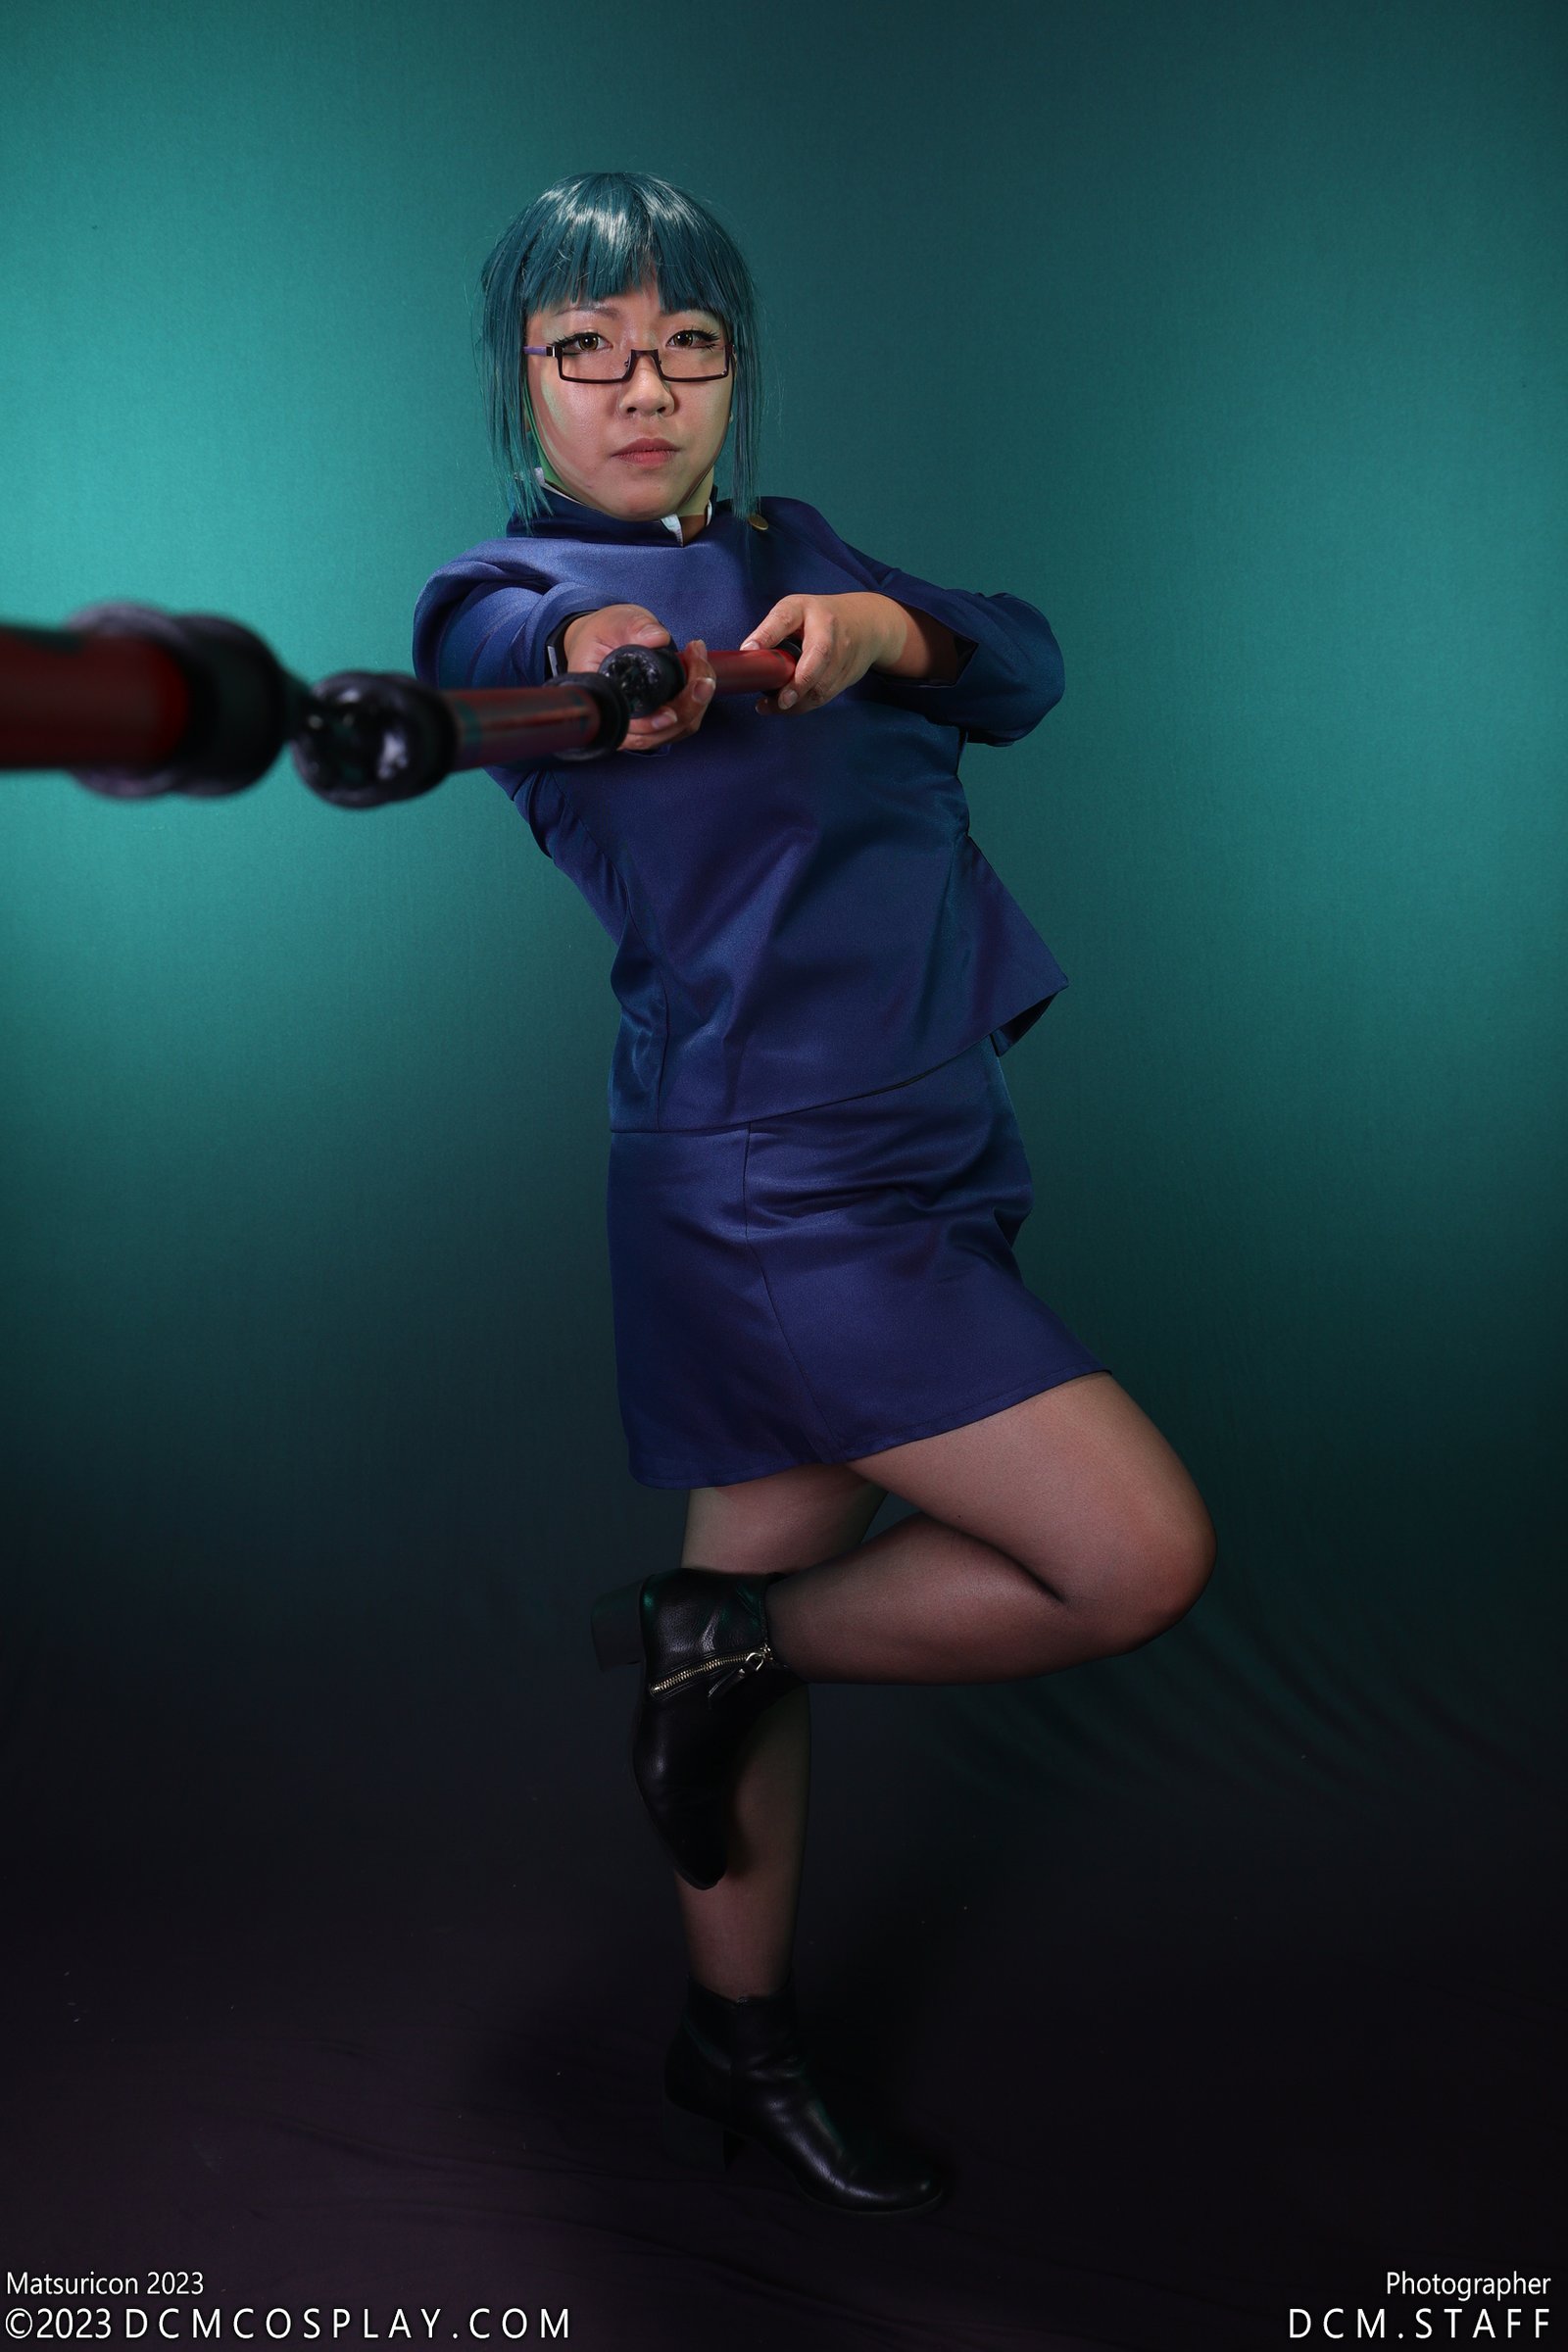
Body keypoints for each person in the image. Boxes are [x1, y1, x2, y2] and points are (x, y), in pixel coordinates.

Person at [412, 171, 1216, 2218]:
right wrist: (603, 646)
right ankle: (710, 1635)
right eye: (586, 350)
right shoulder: (504, 585)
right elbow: (506, 644)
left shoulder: (799, 549)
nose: (641, 388)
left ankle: (735, 2042)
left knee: (750, 1666)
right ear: (520, 379)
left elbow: (1023, 672)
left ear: (733, 371)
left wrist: (887, 631)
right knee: (1130, 1557)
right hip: (778, 1191)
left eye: (684, 346)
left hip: (931, 1141)